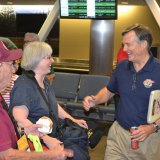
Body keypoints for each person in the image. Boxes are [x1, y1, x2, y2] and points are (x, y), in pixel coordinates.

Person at [83, 24, 160, 160]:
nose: (124, 49)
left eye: (128, 45)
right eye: (123, 45)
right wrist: (95, 99)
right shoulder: (122, 66)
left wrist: (153, 127)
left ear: (143, 44)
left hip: (147, 139)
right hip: (118, 135)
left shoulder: (158, 70)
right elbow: (109, 91)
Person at [10, 41, 89, 160]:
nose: (52, 61)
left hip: (55, 134)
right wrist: (46, 140)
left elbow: (53, 106)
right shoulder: (24, 85)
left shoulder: (44, 81)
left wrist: (73, 120)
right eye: (48, 57)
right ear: (36, 59)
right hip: (40, 144)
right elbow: (20, 121)